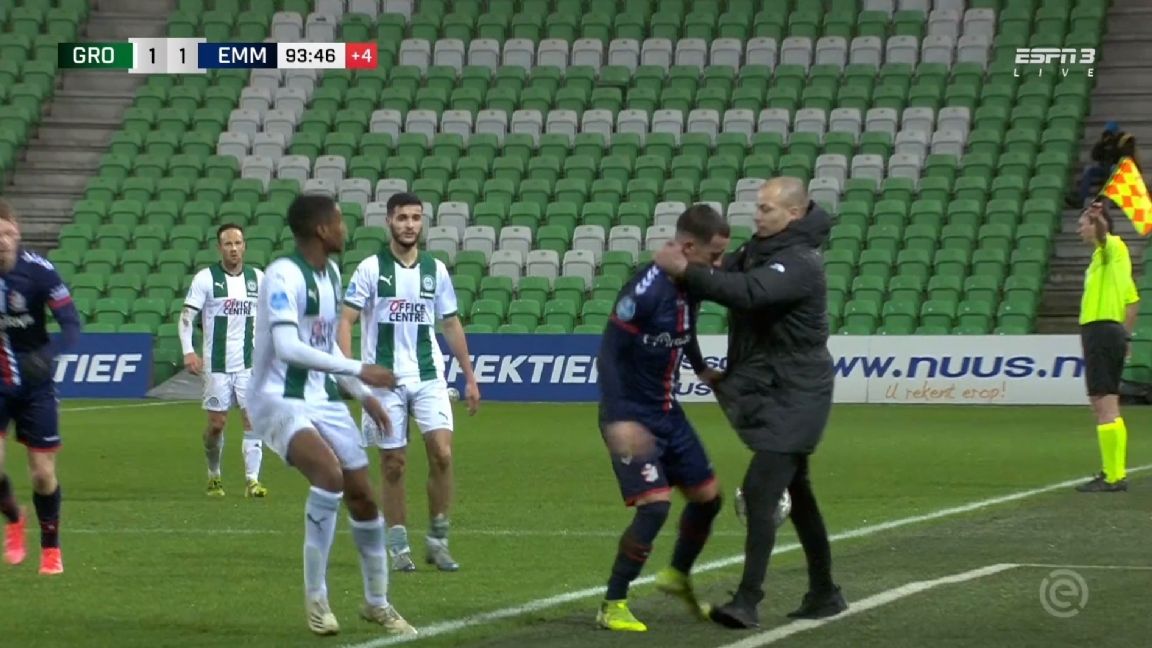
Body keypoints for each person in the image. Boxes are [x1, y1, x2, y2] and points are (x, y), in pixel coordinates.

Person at [654, 177, 847, 628]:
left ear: (794, 214)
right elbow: (723, 278)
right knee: (799, 494)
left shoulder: (799, 262)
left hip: (798, 392)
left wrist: (685, 270)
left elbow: (748, 292)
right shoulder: (761, 250)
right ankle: (824, 592)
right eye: (757, 207)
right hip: (776, 388)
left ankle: (747, 600)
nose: (756, 216)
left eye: (766, 209)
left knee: (761, 491)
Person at [247, 194, 416, 636]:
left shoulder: (332, 274)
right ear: (322, 230)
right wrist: (360, 369)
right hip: (277, 398)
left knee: (363, 498)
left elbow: (323, 348)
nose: (345, 228)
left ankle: (376, 602)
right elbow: (287, 348)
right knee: (328, 475)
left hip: (322, 396)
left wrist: (363, 394)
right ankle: (317, 598)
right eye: (339, 221)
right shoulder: (283, 275)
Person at [593, 205, 730, 632]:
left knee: (709, 498)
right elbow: (609, 355)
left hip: (668, 410)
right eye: (714, 255)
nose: (719, 264)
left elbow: (684, 331)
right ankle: (613, 603)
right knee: (655, 507)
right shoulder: (645, 291)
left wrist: (702, 368)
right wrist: (619, 419)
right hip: (631, 415)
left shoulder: (690, 284)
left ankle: (676, 575)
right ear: (688, 247)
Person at [338, 191, 480, 573]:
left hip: (429, 375)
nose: (410, 225)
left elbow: (450, 323)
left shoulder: (435, 269)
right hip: (384, 381)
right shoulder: (370, 269)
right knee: (394, 464)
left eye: (416, 218)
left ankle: (438, 540)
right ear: (389, 221)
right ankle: (399, 546)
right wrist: (351, 370)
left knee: (443, 454)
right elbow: (346, 320)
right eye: (402, 218)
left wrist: (469, 376)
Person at [0, 200, 81, 575]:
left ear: (17, 233)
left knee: (43, 474)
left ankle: (51, 548)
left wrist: (47, 355)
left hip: (36, 386)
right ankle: (14, 518)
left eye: (8, 233)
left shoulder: (39, 271)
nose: (2, 241)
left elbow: (71, 324)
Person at [179, 224, 267, 498]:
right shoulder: (206, 278)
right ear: (219, 248)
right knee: (217, 425)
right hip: (216, 365)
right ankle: (214, 474)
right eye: (228, 244)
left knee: (252, 420)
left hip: (248, 364)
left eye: (238, 243)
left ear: (244, 246)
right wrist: (188, 351)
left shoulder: (258, 278)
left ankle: (252, 480)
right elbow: (186, 317)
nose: (233, 249)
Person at [1074, 200, 1138, 493]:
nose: (1079, 230)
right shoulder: (1112, 264)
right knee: (1103, 401)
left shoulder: (1111, 248)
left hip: (1101, 330)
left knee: (1104, 403)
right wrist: (1125, 337)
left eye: (1082, 224)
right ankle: (1114, 472)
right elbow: (1132, 302)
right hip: (1107, 332)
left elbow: (1102, 235)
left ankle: (1113, 477)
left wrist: (1098, 218)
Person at [1071, 122, 1139, 207]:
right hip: (1106, 168)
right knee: (1089, 170)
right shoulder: (1105, 142)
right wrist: (1101, 143)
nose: (1109, 136)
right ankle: (1081, 199)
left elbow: (1125, 157)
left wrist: (1114, 146)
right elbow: (1095, 156)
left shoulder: (1123, 140)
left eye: (1111, 133)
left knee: (1113, 169)